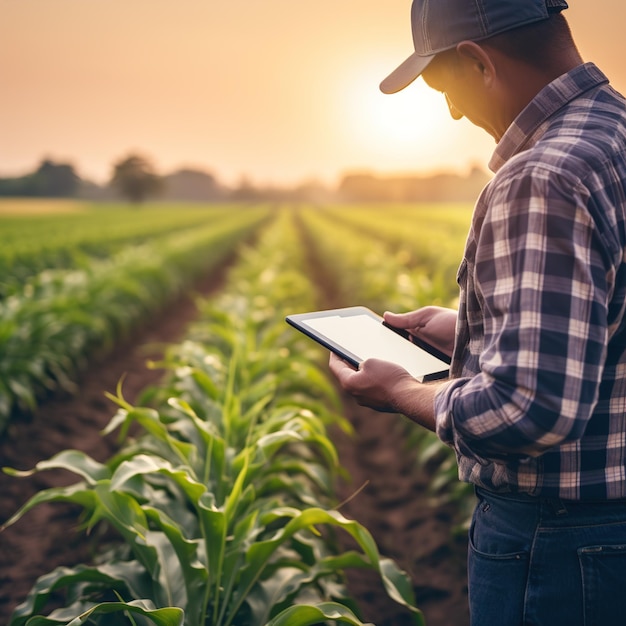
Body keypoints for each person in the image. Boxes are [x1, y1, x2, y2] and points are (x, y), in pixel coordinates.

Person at [328, 1, 626, 624]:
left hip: (562, 545)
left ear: (477, 62)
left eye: (445, 89)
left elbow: (529, 408)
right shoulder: (615, 137)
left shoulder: (544, 175)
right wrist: (469, 331)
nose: (455, 112)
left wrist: (404, 390)